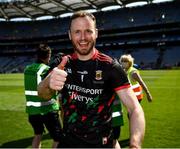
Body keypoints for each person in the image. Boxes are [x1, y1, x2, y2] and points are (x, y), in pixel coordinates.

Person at [38, 11, 145, 148]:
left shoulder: (110, 66)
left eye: (88, 31)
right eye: (77, 32)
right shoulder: (61, 63)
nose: (83, 37)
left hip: (103, 144)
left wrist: (135, 144)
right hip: (68, 143)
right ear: (70, 35)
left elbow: (135, 109)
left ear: (96, 33)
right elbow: (42, 94)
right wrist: (48, 83)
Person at [24, 44, 62, 148]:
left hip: (32, 111)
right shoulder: (46, 70)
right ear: (48, 55)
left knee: (37, 135)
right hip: (47, 110)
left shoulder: (27, 69)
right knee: (58, 139)